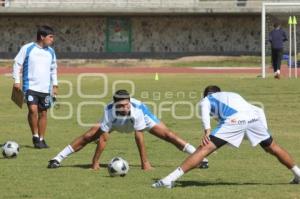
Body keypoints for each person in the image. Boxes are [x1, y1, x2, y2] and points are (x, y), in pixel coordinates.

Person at [152, 85, 300, 188]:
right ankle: (298, 174)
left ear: (206, 95)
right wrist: (265, 131)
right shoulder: (232, 95)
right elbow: (258, 109)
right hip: (253, 118)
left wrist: (207, 131)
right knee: (273, 147)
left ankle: (169, 179)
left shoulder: (207, 99)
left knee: (203, 150)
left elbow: (204, 108)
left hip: (234, 120)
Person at [48, 90, 209, 170]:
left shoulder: (137, 109)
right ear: (115, 104)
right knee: (89, 135)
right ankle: (57, 158)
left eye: (127, 104)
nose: (125, 107)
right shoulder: (109, 110)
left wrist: (145, 163)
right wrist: (95, 162)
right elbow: (103, 139)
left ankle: (201, 158)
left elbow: (138, 136)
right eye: (121, 105)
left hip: (142, 121)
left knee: (169, 135)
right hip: (116, 123)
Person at [12, 25, 58, 149]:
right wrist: (17, 81)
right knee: (33, 110)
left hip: (45, 88)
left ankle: (42, 139)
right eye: (50, 37)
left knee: (43, 113)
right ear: (42, 37)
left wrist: (55, 85)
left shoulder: (51, 52)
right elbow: (17, 63)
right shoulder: (27, 48)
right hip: (30, 86)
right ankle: (35, 136)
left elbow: (53, 69)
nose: (52, 39)